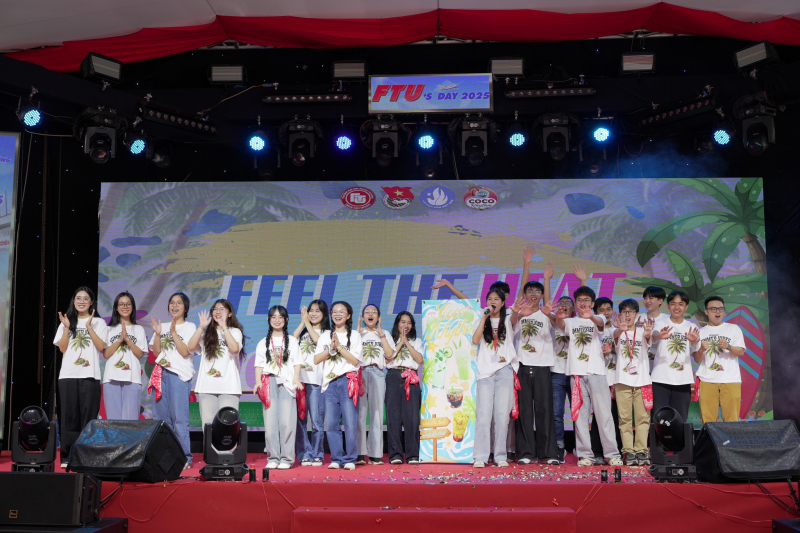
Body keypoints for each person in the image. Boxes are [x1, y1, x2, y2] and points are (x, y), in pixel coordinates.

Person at [556, 286, 622, 467]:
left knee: (604, 416)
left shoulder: (599, 318)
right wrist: (558, 317)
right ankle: (585, 455)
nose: (583, 303)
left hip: (597, 373)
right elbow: (561, 326)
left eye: (586, 300)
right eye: (579, 300)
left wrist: (590, 316)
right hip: (576, 375)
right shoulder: (571, 321)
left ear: (592, 304)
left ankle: (612, 454)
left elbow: (599, 323)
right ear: (576, 303)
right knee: (580, 417)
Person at [54, 286, 108, 467]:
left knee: (88, 418)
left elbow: (101, 347)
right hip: (67, 375)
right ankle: (67, 457)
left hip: (90, 375)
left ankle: (86, 456)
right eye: (78, 298)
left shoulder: (99, 322)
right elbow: (62, 348)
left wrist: (89, 327)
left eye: (86, 298)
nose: (82, 301)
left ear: (92, 302)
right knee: (68, 417)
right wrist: (66, 328)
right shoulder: (66, 322)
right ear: (74, 301)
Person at [512, 282, 559, 465]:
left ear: (542, 295)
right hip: (522, 366)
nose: (533, 294)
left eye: (537, 291)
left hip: (542, 367)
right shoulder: (519, 312)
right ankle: (526, 453)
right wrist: (518, 314)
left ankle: (548, 453)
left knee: (545, 411)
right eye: (530, 291)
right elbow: (510, 326)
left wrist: (550, 315)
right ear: (524, 294)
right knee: (524, 411)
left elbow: (559, 325)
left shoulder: (546, 313)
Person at [149, 292, 196, 468]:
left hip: (179, 375)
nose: (174, 306)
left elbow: (184, 352)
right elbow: (156, 353)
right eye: (172, 303)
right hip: (160, 374)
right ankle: (165, 457)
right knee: (161, 419)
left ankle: (184, 458)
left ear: (185, 307)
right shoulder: (163, 326)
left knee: (179, 419)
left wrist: (173, 332)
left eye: (179, 303)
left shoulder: (190, 327)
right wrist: (157, 334)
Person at [314, 301, 363, 470]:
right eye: (334, 311)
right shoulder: (324, 336)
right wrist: (330, 349)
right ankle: (336, 458)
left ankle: (350, 458)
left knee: (350, 422)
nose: (337, 314)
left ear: (348, 315)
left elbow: (355, 361)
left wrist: (340, 347)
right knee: (331, 424)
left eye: (342, 311)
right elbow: (316, 359)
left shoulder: (354, 335)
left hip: (347, 380)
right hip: (329, 383)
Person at [472, 289, 517, 468]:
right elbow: (475, 341)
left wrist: (517, 312)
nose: (492, 301)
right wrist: (484, 318)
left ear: (503, 303)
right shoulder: (481, 320)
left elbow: (516, 318)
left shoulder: (508, 319)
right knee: (483, 416)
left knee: (502, 416)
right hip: (485, 373)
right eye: (490, 299)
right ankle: (481, 456)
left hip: (504, 370)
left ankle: (500, 456)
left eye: (496, 299)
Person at [255, 305, 302, 470]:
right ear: (268, 320)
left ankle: (287, 459)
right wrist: (258, 382)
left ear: (286, 319)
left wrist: (296, 378)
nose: (277, 320)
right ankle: (273, 457)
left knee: (287, 422)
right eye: (273, 317)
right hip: (269, 382)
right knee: (270, 423)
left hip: (287, 383)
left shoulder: (292, 341)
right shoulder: (263, 342)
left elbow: (297, 362)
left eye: (280, 317)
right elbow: (259, 365)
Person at [189, 299, 244, 428]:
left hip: (229, 387)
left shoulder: (235, 331)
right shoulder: (207, 333)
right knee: (208, 425)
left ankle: (228, 444)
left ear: (230, 314)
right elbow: (191, 347)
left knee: (228, 425)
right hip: (207, 386)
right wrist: (202, 327)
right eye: (215, 309)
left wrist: (224, 327)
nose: (217, 311)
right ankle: (209, 443)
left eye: (221, 309)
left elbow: (234, 349)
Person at [613, 299, 654, 466]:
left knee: (643, 418)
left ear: (637, 315)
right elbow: (614, 337)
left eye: (631, 312)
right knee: (625, 418)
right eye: (624, 312)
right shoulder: (617, 332)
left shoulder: (643, 332)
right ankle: (628, 451)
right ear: (620, 314)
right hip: (622, 380)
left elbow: (649, 338)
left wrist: (648, 333)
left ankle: (642, 451)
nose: (627, 315)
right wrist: (619, 330)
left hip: (642, 381)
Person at [693, 296, 746, 425]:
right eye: (713, 309)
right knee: (708, 421)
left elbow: (741, 352)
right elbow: (697, 359)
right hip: (707, 380)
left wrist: (728, 346)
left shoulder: (733, 328)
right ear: (706, 311)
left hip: (730, 380)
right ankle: (710, 439)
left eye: (720, 309)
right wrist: (701, 350)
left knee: (731, 420)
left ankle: (730, 440)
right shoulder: (701, 332)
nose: (717, 312)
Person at [650, 291, 700, 422]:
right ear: (668, 306)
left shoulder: (691, 326)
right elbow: (654, 334)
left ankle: (679, 437)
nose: (676, 307)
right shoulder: (661, 323)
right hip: (660, 379)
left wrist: (695, 340)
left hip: (683, 380)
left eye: (680, 304)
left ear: (686, 307)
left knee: (680, 419)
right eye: (673, 304)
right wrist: (659, 336)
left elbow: (697, 352)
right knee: (659, 419)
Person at [356, 304, 395, 465]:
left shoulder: (384, 333)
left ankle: (375, 453)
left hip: (378, 373)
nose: (370, 314)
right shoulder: (357, 333)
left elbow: (390, 355)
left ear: (378, 317)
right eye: (367, 312)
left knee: (377, 413)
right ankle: (359, 452)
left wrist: (382, 336)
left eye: (374, 312)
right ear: (363, 317)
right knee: (359, 413)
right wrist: (357, 335)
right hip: (360, 373)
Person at [293, 300, 329, 466]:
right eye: (311, 310)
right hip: (300, 381)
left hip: (316, 382)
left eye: (317, 311)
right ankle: (304, 453)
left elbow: (319, 343)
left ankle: (317, 454)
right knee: (300, 421)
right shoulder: (303, 332)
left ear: (324, 314)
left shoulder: (327, 333)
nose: (313, 313)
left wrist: (307, 323)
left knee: (316, 421)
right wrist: (303, 323)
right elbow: (291, 341)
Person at [384, 311, 424, 465]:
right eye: (403, 322)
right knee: (393, 417)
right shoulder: (390, 340)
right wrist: (400, 341)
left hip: (411, 377)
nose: (406, 325)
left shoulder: (417, 341)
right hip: (393, 376)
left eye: (409, 323)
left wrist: (407, 342)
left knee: (412, 417)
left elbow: (419, 360)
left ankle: (413, 454)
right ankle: (395, 454)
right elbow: (388, 359)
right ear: (397, 323)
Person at [103, 292, 147, 421]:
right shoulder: (109, 329)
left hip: (133, 377)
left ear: (132, 307)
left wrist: (127, 339)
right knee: (113, 420)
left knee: (131, 420)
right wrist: (119, 340)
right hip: (111, 377)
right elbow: (106, 354)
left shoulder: (138, 329)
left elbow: (139, 354)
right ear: (116, 308)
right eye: (121, 304)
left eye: (128, 304)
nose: (125, 307)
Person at [590, 297, 622, 463]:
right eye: (601, 310)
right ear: (595, 313)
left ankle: (617, 451)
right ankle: (597, 451)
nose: (606, 313)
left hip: (617, 380)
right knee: (599, 418)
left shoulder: (618, 330)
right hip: (601, 378)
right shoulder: (594, 332)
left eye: (608, 309)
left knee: (616, 416)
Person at [640, 286, 667, 369]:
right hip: (640, 365)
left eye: (651, 298)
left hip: (660, 366)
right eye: (645, 298)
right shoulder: (638, 318)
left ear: (660, 301)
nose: (647, 301)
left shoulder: (666, 320)